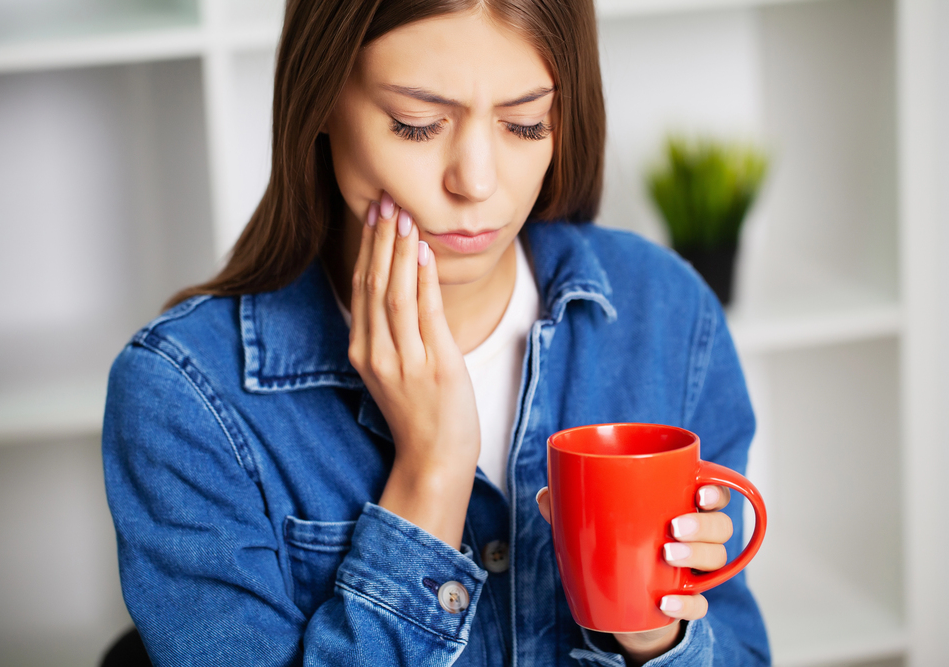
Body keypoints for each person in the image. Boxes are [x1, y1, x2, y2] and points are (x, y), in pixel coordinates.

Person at [102, 0, 771, 665]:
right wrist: (432, 473)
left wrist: (657, 636)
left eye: (525, 123)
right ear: (322, 101)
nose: (477, 182)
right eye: (416, 125)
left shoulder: (666, 310)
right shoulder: (183, 395)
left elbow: (740, 648)